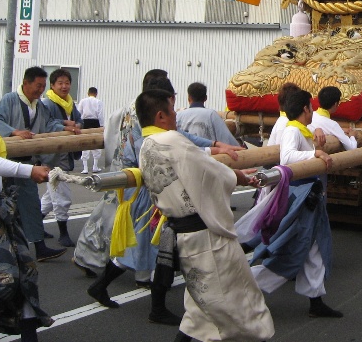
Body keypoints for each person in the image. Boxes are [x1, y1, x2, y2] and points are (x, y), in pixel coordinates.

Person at [84, 75, 243, 325]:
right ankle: (151, 304)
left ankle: (117, 290)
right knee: (156, 249)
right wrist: (217, 151)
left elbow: (182, 137)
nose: (175, 112)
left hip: (152, 188)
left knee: (156, 249)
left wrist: (215, 144)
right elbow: (177, 146)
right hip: (148, 191)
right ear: (161, 108)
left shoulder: (149, 117)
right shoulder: (144, 124)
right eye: (172, 105)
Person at [137, 89, 275, 342]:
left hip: (184, 234)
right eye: (172, 110)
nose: (176, 115)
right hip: (205, 236)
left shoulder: (146, 144)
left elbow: (196, 159)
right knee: (238, 299)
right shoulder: (171, 139)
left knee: (200, 304)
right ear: (160, 116)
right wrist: (237, 176)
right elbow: (208, 172)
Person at [0, 66, 53, 341]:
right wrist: (29, 170)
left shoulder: (41, 106)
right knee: (10, 275)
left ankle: (28, 331)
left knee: (18, 270)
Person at [249, 88, 343, 319]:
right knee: (294, 250)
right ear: (305, 109)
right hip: (300, 198)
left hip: (309, 197)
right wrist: (315, 155)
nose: (313, 111)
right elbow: (287, 157)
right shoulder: (292, 130)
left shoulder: (301, 130)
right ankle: (245, 285)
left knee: (314, 249)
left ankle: (315, 300)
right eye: (311, 107)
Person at [0, 66, 67, 261]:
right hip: (7, 163)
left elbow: (48, 124)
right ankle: (10, 249)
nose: (40, 90)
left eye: (43, 86)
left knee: (31, 205)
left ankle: (38, 247)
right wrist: (14, 132)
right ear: (26, 83)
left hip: (28, 164)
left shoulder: (39, 105)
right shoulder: (10, 99)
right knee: (7, 209)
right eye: (38, 86)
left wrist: (65, 127)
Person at [40, 68, 82, 248]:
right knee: (61, 195)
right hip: (53, 156)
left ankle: (34, 224)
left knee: (51, 196)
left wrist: (77, 124)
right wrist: (65, 124)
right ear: (52, 85)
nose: (64, 86)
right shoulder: (47, 103)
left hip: (65, 153)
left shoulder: (70, 103)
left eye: (67, 83)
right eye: (60, 83)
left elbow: (79, 120)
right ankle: (63, 233)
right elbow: (45, 123)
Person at [310, 86, 360, 152]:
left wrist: (340, 130)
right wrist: (352, 136)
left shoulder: (310, 116)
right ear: (336, 104)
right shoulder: (333, 124)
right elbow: (352, 148)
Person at [77, 87, 105, 173]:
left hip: (85, 122)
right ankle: (95, 166)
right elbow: (100, 114)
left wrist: (79, 124)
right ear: (96, 94)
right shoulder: (98, 101)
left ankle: (85, 168)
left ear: (88, 93)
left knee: (85, 143)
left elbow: (79, 112)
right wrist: (101, 126)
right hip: (95, 122)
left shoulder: (83, 101)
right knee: (96, 143)